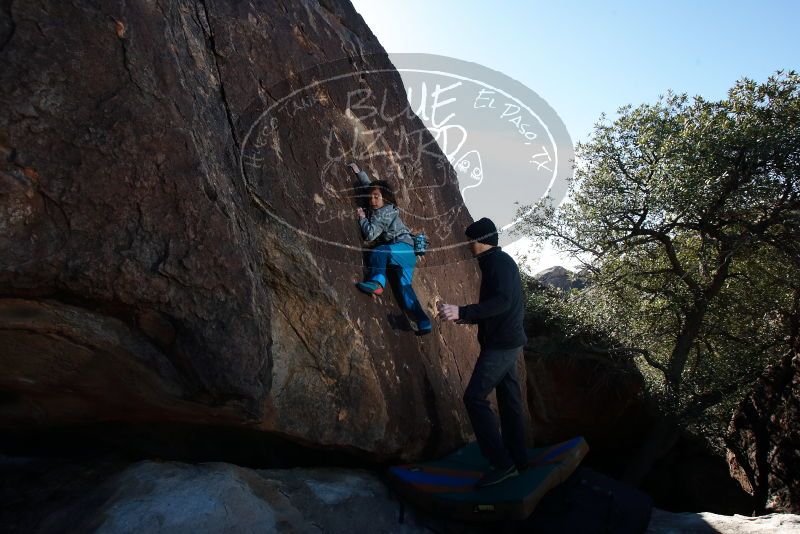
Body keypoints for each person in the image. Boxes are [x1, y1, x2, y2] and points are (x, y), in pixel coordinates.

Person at [437, 217, 528, 488]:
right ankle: (519, 458)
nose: (468, 246)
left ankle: (502, 464)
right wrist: (463, 316)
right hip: (509, 341)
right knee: (510, 401)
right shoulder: (500, 262)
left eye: (470, 241)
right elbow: (498, 304)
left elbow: (502, 302)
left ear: (480, 241)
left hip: (501, 344)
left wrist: (463, 311)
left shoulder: (497, 263)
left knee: (475, 398)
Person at [348, 162, 432, 336]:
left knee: (380, 251)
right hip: (408, 255)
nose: (372, 200)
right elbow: (370, 187)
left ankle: (377, 283)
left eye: (376, 197)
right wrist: (359, 173)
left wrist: (362, 218)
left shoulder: (384, 212)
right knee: (405, 291)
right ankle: (423, 322)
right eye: (371, 197)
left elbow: (371, 234)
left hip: (403, 248)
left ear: (385, 198)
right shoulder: (383, 206)